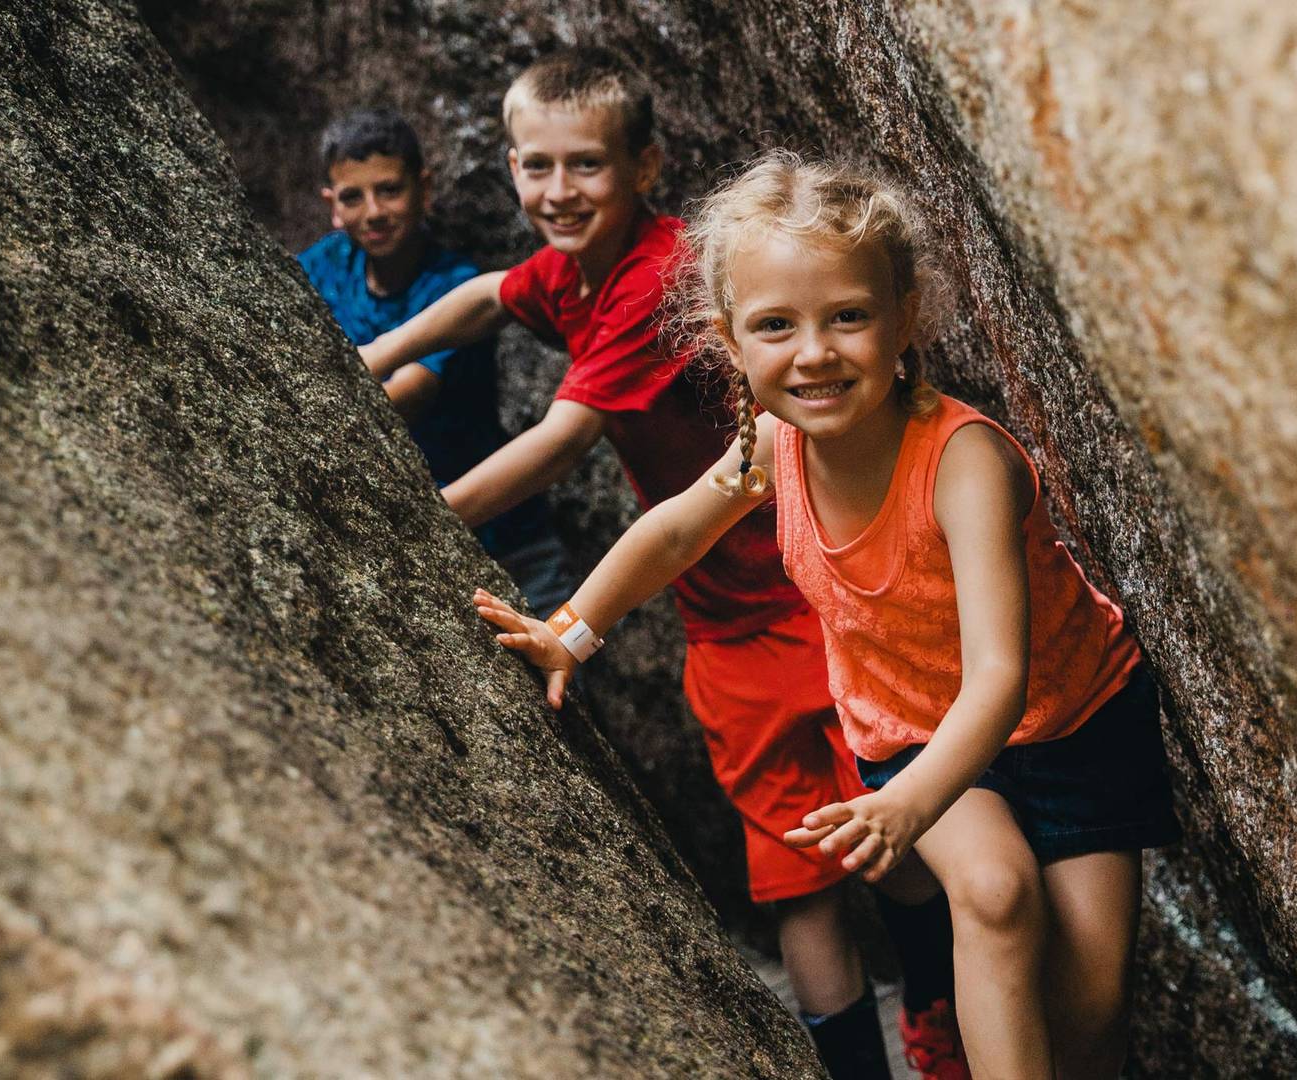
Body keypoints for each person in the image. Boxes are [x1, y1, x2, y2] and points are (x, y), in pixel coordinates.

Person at [474, 150, 1179, 1080]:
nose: (815, 352)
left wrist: (901, 810)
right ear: (729, 342)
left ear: (903, 321)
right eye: (776, 325)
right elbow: (675, 532)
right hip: (914, 731)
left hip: (1075, 719)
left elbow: (1000, 678)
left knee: (1091, 1012)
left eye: (848, 316)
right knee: (998, 894)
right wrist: (571, 631)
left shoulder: (965, 464)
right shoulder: (773, 443)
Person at [363, 52, 962, 1079]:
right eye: (536, 167)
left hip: (817, 592)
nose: (558, 192)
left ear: (646, 165)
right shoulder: (577, 267)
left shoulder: (662, 278)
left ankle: (940, 1031)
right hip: (727, 621)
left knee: (898, 839)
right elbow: (487, 299)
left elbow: (564, 438)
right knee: (796, 877)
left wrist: (418, 520)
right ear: (508, 167)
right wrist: (368, 360)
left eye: (585, 165)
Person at [298, 107, 567, 613]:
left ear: (423, 187)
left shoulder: (453, 286)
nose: (374, 211)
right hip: (412, 527)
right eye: (353, 197)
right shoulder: (325, 265)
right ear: (333, 205)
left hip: (506, 539)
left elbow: (408, 396)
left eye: (389, 189)